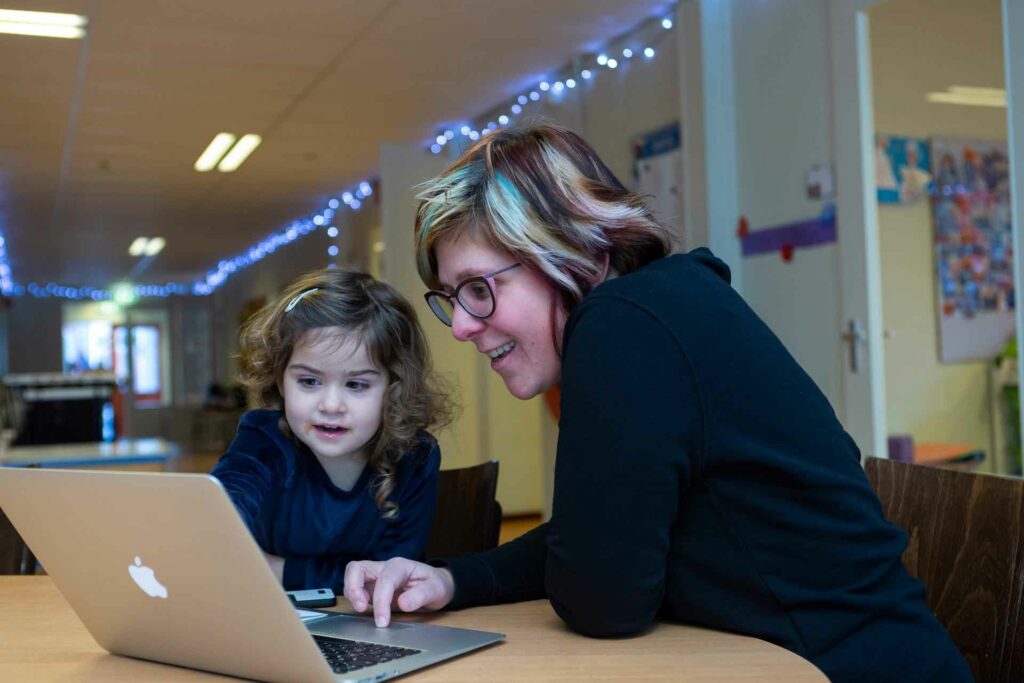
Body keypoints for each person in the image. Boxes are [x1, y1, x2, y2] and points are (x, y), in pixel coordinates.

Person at [341, 124, 972, 683]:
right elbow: (600, 534)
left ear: (572, 249)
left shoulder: (623, 328)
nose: (461, 327)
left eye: (480, 288)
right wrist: (453, 580)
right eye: (453, 297)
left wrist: (566, 569)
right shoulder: (661, 306)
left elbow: (601, 600)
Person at [211, 269, 452, 593]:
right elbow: (223, 506)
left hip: (370, 628)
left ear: (393, 387)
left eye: (356, 384)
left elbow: (390, 579)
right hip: (267, 619)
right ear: (280, 379)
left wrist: (277, 570)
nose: (331, 404)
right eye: (309, 381)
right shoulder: (263, 438)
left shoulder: (414, 455)